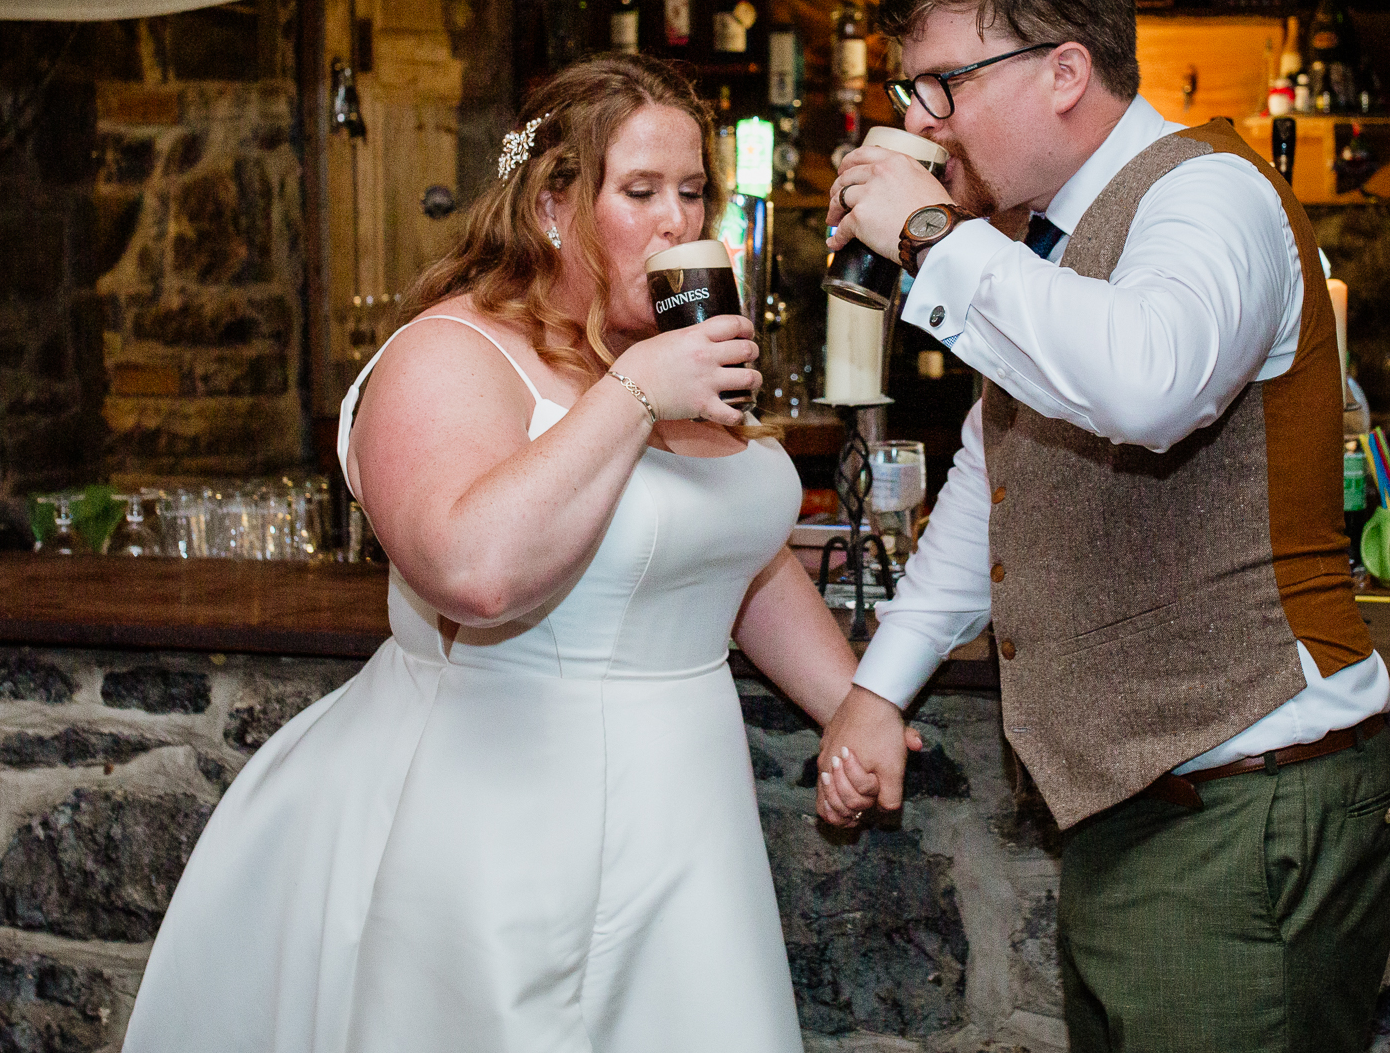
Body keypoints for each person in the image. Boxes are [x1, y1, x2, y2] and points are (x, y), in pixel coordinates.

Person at [125, 54, 909, 1053]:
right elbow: (474, 573)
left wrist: (855, 702)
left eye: (692, 190)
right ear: (551, 201)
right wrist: (632, 400)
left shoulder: (660, 349)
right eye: (640, 192)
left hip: (687, 819)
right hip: (510, 812)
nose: (678, 221)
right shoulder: (450, 356)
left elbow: (732, 556)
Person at [813, 0, 1390, 1052]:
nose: (924, 122)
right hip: (1139, 810)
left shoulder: (1206, 194)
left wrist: (934, 235)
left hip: (1246, 794)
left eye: (942, 83)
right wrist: (878, 689)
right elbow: (1000, 486)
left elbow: (1149, 386)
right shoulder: (1033, 245)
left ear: (1065, 71)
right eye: (912, 90)